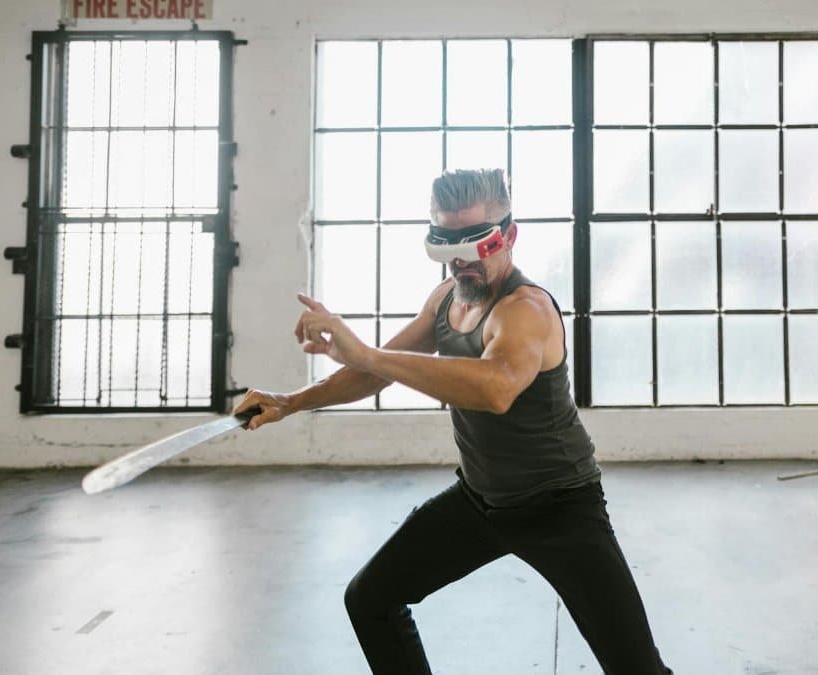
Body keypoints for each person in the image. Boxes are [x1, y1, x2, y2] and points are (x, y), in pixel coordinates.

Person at [235, 169, 672, 675]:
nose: (460, 259)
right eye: (445, 243)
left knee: (637, 668)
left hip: (560, 507)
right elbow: (372, 374)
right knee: (370, 599)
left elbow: (496, 388)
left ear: (508, 235)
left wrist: (369, 355)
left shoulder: (525, 310)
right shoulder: (446, 298)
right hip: (481, 502)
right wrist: (289, 402)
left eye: (474, 242)